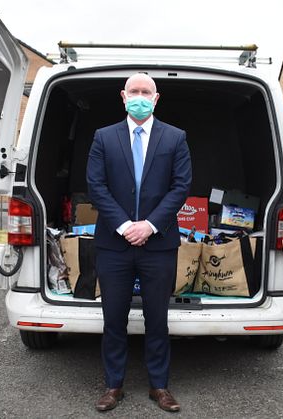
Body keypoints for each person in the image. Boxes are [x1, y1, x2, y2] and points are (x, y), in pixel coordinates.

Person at [86, 73, 191, 412]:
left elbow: (180, 187)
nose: (140, 96)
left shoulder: (176, 138)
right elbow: (96, 186)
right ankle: (113, 386)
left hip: (158, 245)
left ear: (156, 98)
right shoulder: (104, 137)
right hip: (113, 245)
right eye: (135, 91)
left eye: (146, 92)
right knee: (113, 318)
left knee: (157, 319)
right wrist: (123, 226)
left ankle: (159, 387)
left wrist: (149, 225)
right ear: (123, 96)